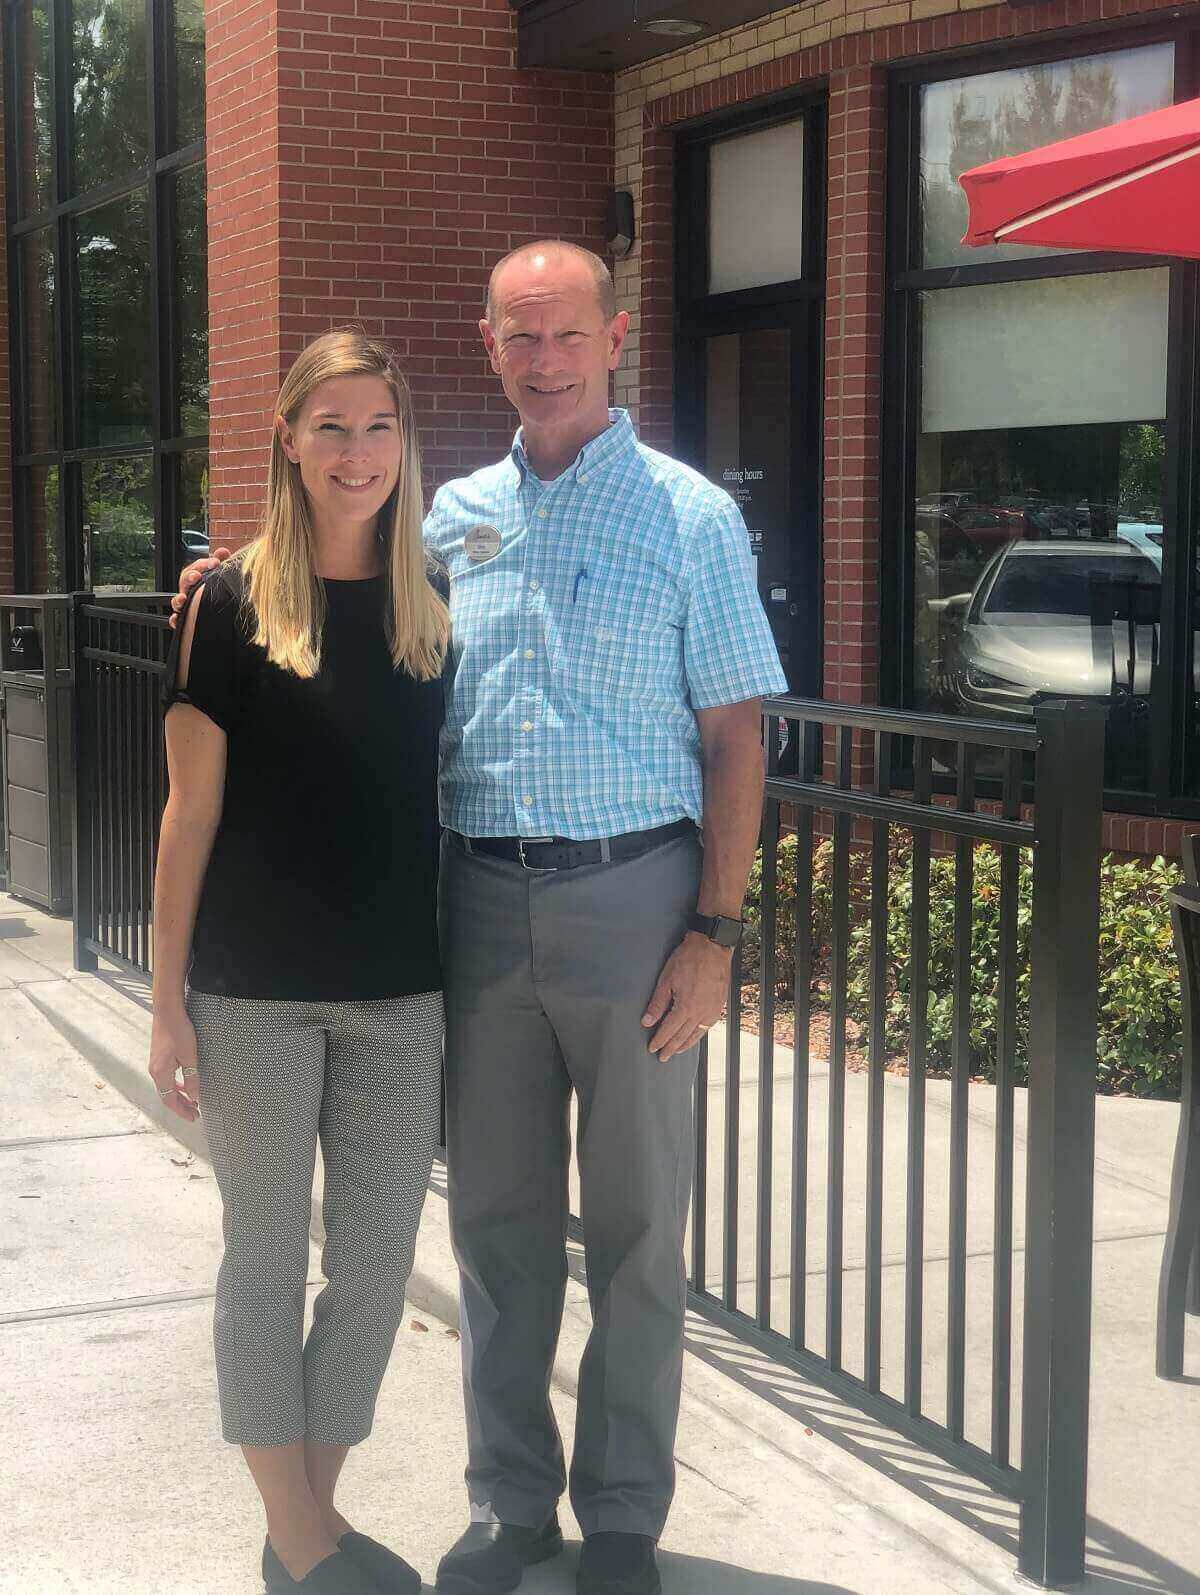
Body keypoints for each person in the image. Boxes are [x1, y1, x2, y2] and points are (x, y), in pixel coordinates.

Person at [177, 242, 787, 1595]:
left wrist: (717, 931)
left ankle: (622, 1507)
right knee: (494, 1225)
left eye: (569, 332)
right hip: (472, 899)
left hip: (636, 898)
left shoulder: (690, 516)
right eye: (521, 336)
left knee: (636, 1223)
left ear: (616, 336)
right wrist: (228, 572)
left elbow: (739, 735)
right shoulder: (452, 514)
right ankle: (511, 1499)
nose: (547, 357)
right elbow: (333, 560)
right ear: (491, 344)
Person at [152, 330, 449, 1595]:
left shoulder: (432, 596)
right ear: (286, 438)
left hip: (400, 990)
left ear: (404, 443)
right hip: (253, 992)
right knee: (264, 1264)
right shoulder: (226, 602)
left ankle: (301, 1522)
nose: (357, 452)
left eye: (378, 425)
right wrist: (166, 1002)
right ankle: (311, 1539)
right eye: (330, 425)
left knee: (376, 1268)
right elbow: (188, 813)